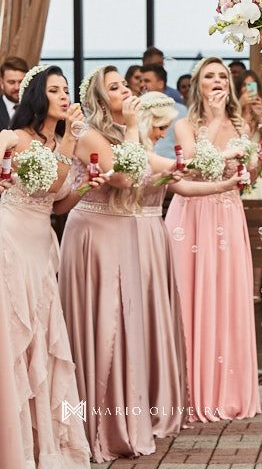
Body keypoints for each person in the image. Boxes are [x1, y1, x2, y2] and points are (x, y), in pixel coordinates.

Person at [165, 57, 262, 422]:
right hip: (192, 214)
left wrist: (260, 162)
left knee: (226, 297)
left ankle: (226, 389)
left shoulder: (240, 124)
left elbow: (244, 177)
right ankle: (191, 390)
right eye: (209, 76)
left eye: (222, 76)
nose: (217, 81)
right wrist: (211, 122)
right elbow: (190, 166)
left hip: (228, 215)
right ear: (198, 85)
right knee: (190, 298)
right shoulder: (185, 125)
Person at [59, 65, 156, 462]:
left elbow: (155, 172)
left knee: (125, 323)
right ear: (101, 100)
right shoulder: (88, 136)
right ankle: (94, 424)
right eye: (115, 87)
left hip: (123, 231)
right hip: (94, 234)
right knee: (101, 325)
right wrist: (134, 127)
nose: (126, 92)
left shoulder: (118, 134)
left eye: (125, 85)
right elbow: (122, 179)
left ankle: (124, 421)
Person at [135, 91, 243, 439]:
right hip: (168, 225)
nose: (164, 133)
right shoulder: (154, 146)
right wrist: (217, 132)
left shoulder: (150, 151)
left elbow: (179, 181)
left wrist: (234, 177)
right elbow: (185, 171)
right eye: (160, 127)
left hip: (212, 210)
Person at [0, 66, 92, 468]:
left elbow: (56, 202)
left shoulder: (58, 140)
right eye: (54, 89)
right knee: (16, 335)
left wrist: (87, 187)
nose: (63, 95)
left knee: (45, 337)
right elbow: (52, 180)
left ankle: (48, 446)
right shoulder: (12, 138)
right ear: (37, 95)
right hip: (12, 241)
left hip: (42, 244)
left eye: (66, 88)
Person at [141, 63, 187, 159]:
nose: (142, 84)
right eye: (140, 81)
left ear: (160, 84)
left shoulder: (181, 111)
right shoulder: (137, 110)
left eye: (147, 81)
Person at [0, 56, 28, 130]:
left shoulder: (37, 108)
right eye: (11, 82)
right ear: (2, 83)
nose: (17, 87)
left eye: (21, 82)